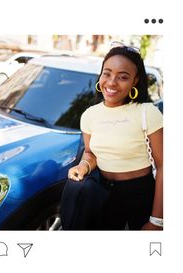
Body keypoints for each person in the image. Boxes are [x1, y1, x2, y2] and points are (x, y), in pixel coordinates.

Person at [61, 42, 163, 230]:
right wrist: (83, 165)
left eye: (123, 77)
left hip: (141, 194)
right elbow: (90, 153)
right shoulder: (89, 115)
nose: (111, 82)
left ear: (135, 81)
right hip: (104, 192)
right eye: (107, 73)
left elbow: (164, 165)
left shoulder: (147, 112)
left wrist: (157, 220)